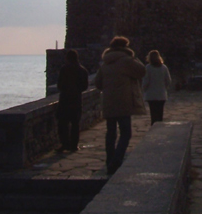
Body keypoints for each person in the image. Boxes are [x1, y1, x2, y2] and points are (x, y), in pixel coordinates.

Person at [94, 36, 146, 174]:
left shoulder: (105, 63)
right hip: (124, 103)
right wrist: (133, 56)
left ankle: (109, 160)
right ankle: (116, 161)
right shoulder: (127, 60)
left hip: (109, 103)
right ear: (125, 47)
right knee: (126, 133)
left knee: (110, 134)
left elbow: (98, 83)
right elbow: (142, 71)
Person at [56, 48, 89, 152]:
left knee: (63, 123)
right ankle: (74, 146)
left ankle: (64, 144)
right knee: (75, 123)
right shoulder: (83, 70)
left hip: (65, 99)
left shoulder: (64, 69)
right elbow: (85, 86)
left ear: (67, 58)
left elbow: (59, 85)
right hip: (76, 99)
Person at [142, 50, 172, 125]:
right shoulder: (164, 67)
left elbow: (146, 81)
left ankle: (153, 127)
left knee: (153, 114)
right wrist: (164, 88)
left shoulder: (148, 68)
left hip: (151, 94)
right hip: (161, 94)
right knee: (160, 113)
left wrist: (144, 89)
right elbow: (168, 80)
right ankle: (159, 127)